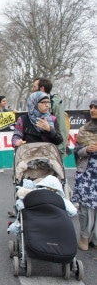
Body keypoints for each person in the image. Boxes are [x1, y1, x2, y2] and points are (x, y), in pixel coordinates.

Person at [72, 99, 97, 251]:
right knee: (85, 206)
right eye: (91, 107)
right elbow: (77, 151)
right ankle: (84, 235)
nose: (93, 110)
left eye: (96, 107)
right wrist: (86, 150)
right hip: (87, 172)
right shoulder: (84, 129)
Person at [32, 77, 69, 158]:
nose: (32, 89)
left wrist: (59, 151)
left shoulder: (55, 104)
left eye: (34, 87)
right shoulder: (32, 103)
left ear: (42, 89)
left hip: (52, 152)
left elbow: (62, 128)